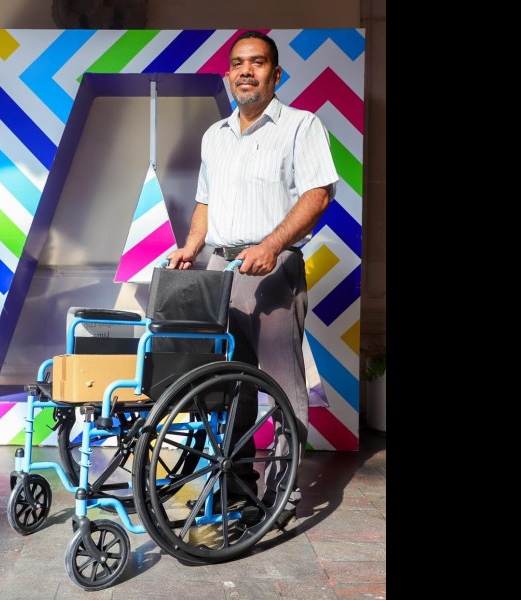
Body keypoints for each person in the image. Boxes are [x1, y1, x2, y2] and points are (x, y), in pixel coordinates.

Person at [166, 30, 339, 528]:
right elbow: (205, 201)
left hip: (273, 270)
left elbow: (317, 195)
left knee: (281, 385)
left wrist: (271, 245)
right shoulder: (214, 136)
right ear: (228, 75)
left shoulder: (302, 126)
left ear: (275, 74)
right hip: (219, 272)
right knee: (227, 385)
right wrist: (192, 246)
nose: (246, 71)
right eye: (238, 63)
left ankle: (281, 492)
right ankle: (235, 489)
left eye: (257, 62)